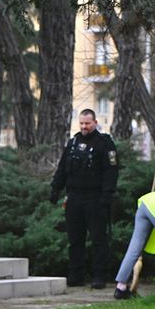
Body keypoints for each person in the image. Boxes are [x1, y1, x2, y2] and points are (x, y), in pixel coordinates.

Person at [49, 109, 119, 288]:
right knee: (75, 239)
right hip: (74, 197)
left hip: (95, 198)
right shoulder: (73, 143)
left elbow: (111, 172)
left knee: (98, 239)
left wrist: (106, 196)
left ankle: (99, 276)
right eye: (81, 123)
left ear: (95, 122)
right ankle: (76, 275)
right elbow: (63, 168)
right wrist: (55, 189)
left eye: (87, 123)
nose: (84, 127)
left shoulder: (104, 144)